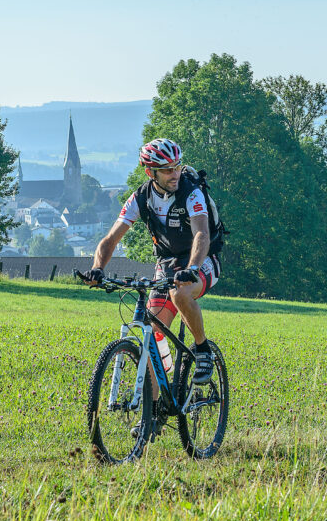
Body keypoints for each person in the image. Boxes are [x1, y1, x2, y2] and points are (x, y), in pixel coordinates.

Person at [81, 138, 222, 388]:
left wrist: (193, 268)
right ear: (150, 172)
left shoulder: (191, 193)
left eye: (177, 166)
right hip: (167, 262)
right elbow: (111, 239)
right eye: (167, 169)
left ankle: (203, 352)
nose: (175, 174)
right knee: (153, 332)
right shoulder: (141, 198)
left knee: (180, 294)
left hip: (201, 259)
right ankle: (151, 415)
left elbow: (202, 234)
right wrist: (98, 268)